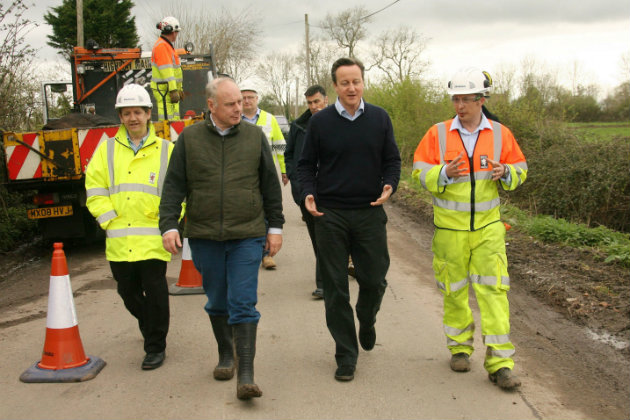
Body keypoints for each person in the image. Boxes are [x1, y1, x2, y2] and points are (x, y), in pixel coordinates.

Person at [159, 77, 284, 400]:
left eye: (240, 102)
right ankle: (226, 354)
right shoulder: (190, 139)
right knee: (217, 301)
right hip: (204, 235)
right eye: (230, 104)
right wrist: (169, 224)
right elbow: (174, 185)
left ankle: (246, 374)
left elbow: (270, 186)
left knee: (243, 302)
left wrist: (276, 228)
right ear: (211, 106)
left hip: (247, 233)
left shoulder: (255, 136)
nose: (238, 109)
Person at [411, 67, 528, 391]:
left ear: (481, 99)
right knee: (454, 291)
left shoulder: (501, 134)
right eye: (455, 99)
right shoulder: (438, 133)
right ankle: (460, 349)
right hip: (449, 230)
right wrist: (443, 174)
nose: (459, 105)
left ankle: (501, 364)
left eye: (466, 99)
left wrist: (506, 172)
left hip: (489, 228)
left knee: (494, 293)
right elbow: (418, 173)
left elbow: (521, 170)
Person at [297, 57, 401, 382]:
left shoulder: (380, 119)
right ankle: (346, 354)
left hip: (370, 211)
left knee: (374, 280)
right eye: (345, 83)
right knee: (335, 288)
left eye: (356, 81)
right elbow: (304, 166)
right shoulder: (321, 122)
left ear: (363, 82)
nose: (351, 88)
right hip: (331, 215)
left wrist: (390, 184)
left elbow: (392, 160)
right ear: (335, 86)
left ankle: (366, 318)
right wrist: (307, 193)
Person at [85, 84, 173, 370]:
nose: (133, 117)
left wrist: (169, 221)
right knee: (127, 292)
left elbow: (178, 191)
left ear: (149, 114)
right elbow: (94, 188)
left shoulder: (166, 150)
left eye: (138, 111)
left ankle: (155, 346)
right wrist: (108, 218)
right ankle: (151, 327)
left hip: (153, 238)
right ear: (120, 117)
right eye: (126, 113)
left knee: (156, 291)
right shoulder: (106, 149)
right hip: (120, 239)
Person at [285, 84, 328, 299]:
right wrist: (297, 183)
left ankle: (325, 282)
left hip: (332, 192)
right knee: (317, 238)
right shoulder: (298, 126)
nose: (313, 106)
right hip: (307, 192)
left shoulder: (335, 122)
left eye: (317, 101)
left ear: (326, 100)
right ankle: (328, 276)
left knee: (326, 236)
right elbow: (289, 155)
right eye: (310, 103)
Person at [241, 87, 287, 270]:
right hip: (243, 175)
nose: (247, 101)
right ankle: (247, 250)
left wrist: (284, 171)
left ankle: (267, 255)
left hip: (265, 174)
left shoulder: (270, 119)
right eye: (243, 98)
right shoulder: (235, 119)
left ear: (257, 99)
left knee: (268, 211)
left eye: (250, 97)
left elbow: (280, 146)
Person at [151, 16, 183, 120]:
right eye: (177, 32)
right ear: (172, 31)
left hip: (168, 90)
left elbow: (174, 72)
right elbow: (167, 72)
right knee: (167, 119)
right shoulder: (162, 46)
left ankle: (175, 135)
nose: (176, 35)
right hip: (164, 91)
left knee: (174, 118)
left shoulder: (167, 46)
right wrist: (174, 90)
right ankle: (168, 135)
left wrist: (179, 89)